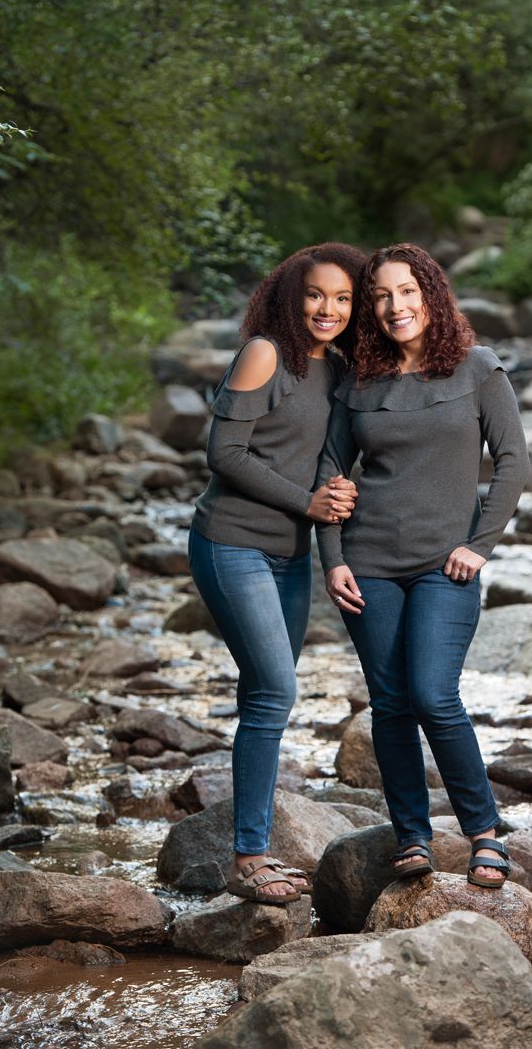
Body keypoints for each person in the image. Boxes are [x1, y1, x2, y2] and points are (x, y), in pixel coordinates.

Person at [316, 243, 530, 887]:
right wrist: (332, 560)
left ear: (430, 293)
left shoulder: (477, 368)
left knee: (435, 696)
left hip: (447, 565)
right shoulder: (358, 381)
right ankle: (412, 836)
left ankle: (484, 835)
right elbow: (330, 470)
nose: (394, 306)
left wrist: (480, 544)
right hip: (368, 561)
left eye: (406, 291)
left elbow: (514, 461)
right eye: (380, 295)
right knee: (389, 703)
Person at [189, 242, 366, 904]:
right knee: (275, 691)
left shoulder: (341, 370)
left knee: (265, 696)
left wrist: (335, 536)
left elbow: (327, 470)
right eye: (317, 294)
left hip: (290, 558)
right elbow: (223, 452)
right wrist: (309, 502)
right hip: (230, 543)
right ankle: (249, 855)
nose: (329, 308)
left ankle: (250, 843)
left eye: (344, 298)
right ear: (293, 296)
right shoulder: (265, 352)